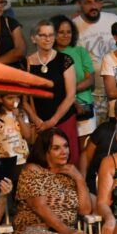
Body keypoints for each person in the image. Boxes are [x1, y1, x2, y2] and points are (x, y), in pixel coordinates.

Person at [24, 20, 79, 164]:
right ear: (33, 38)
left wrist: (53, 121)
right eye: (43, 35)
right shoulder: (26, 64)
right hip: (39, 124)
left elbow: (70, 95)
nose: (48, 39)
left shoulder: (65, 60)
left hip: (63, 119)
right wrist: (36, 120)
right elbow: (23, 99)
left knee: (68, 162)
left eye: (51, 35)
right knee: (43, 163)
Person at [73, 0, 117, 118]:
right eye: (88, 2)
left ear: (101, 3)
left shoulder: (113, 19)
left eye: (96, 1)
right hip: (91, 94)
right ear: (79, 4)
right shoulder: (73, 27)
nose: (93, 6)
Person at [52, 15, 98, 144]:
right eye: (61, 32)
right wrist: (71, 99)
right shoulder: (50, 55)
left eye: (68, 32)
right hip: (61, 109)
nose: (66, 35)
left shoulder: (80, 51)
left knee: (86, 146)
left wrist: (70, 91)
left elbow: (90, 80)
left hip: (84, 106)